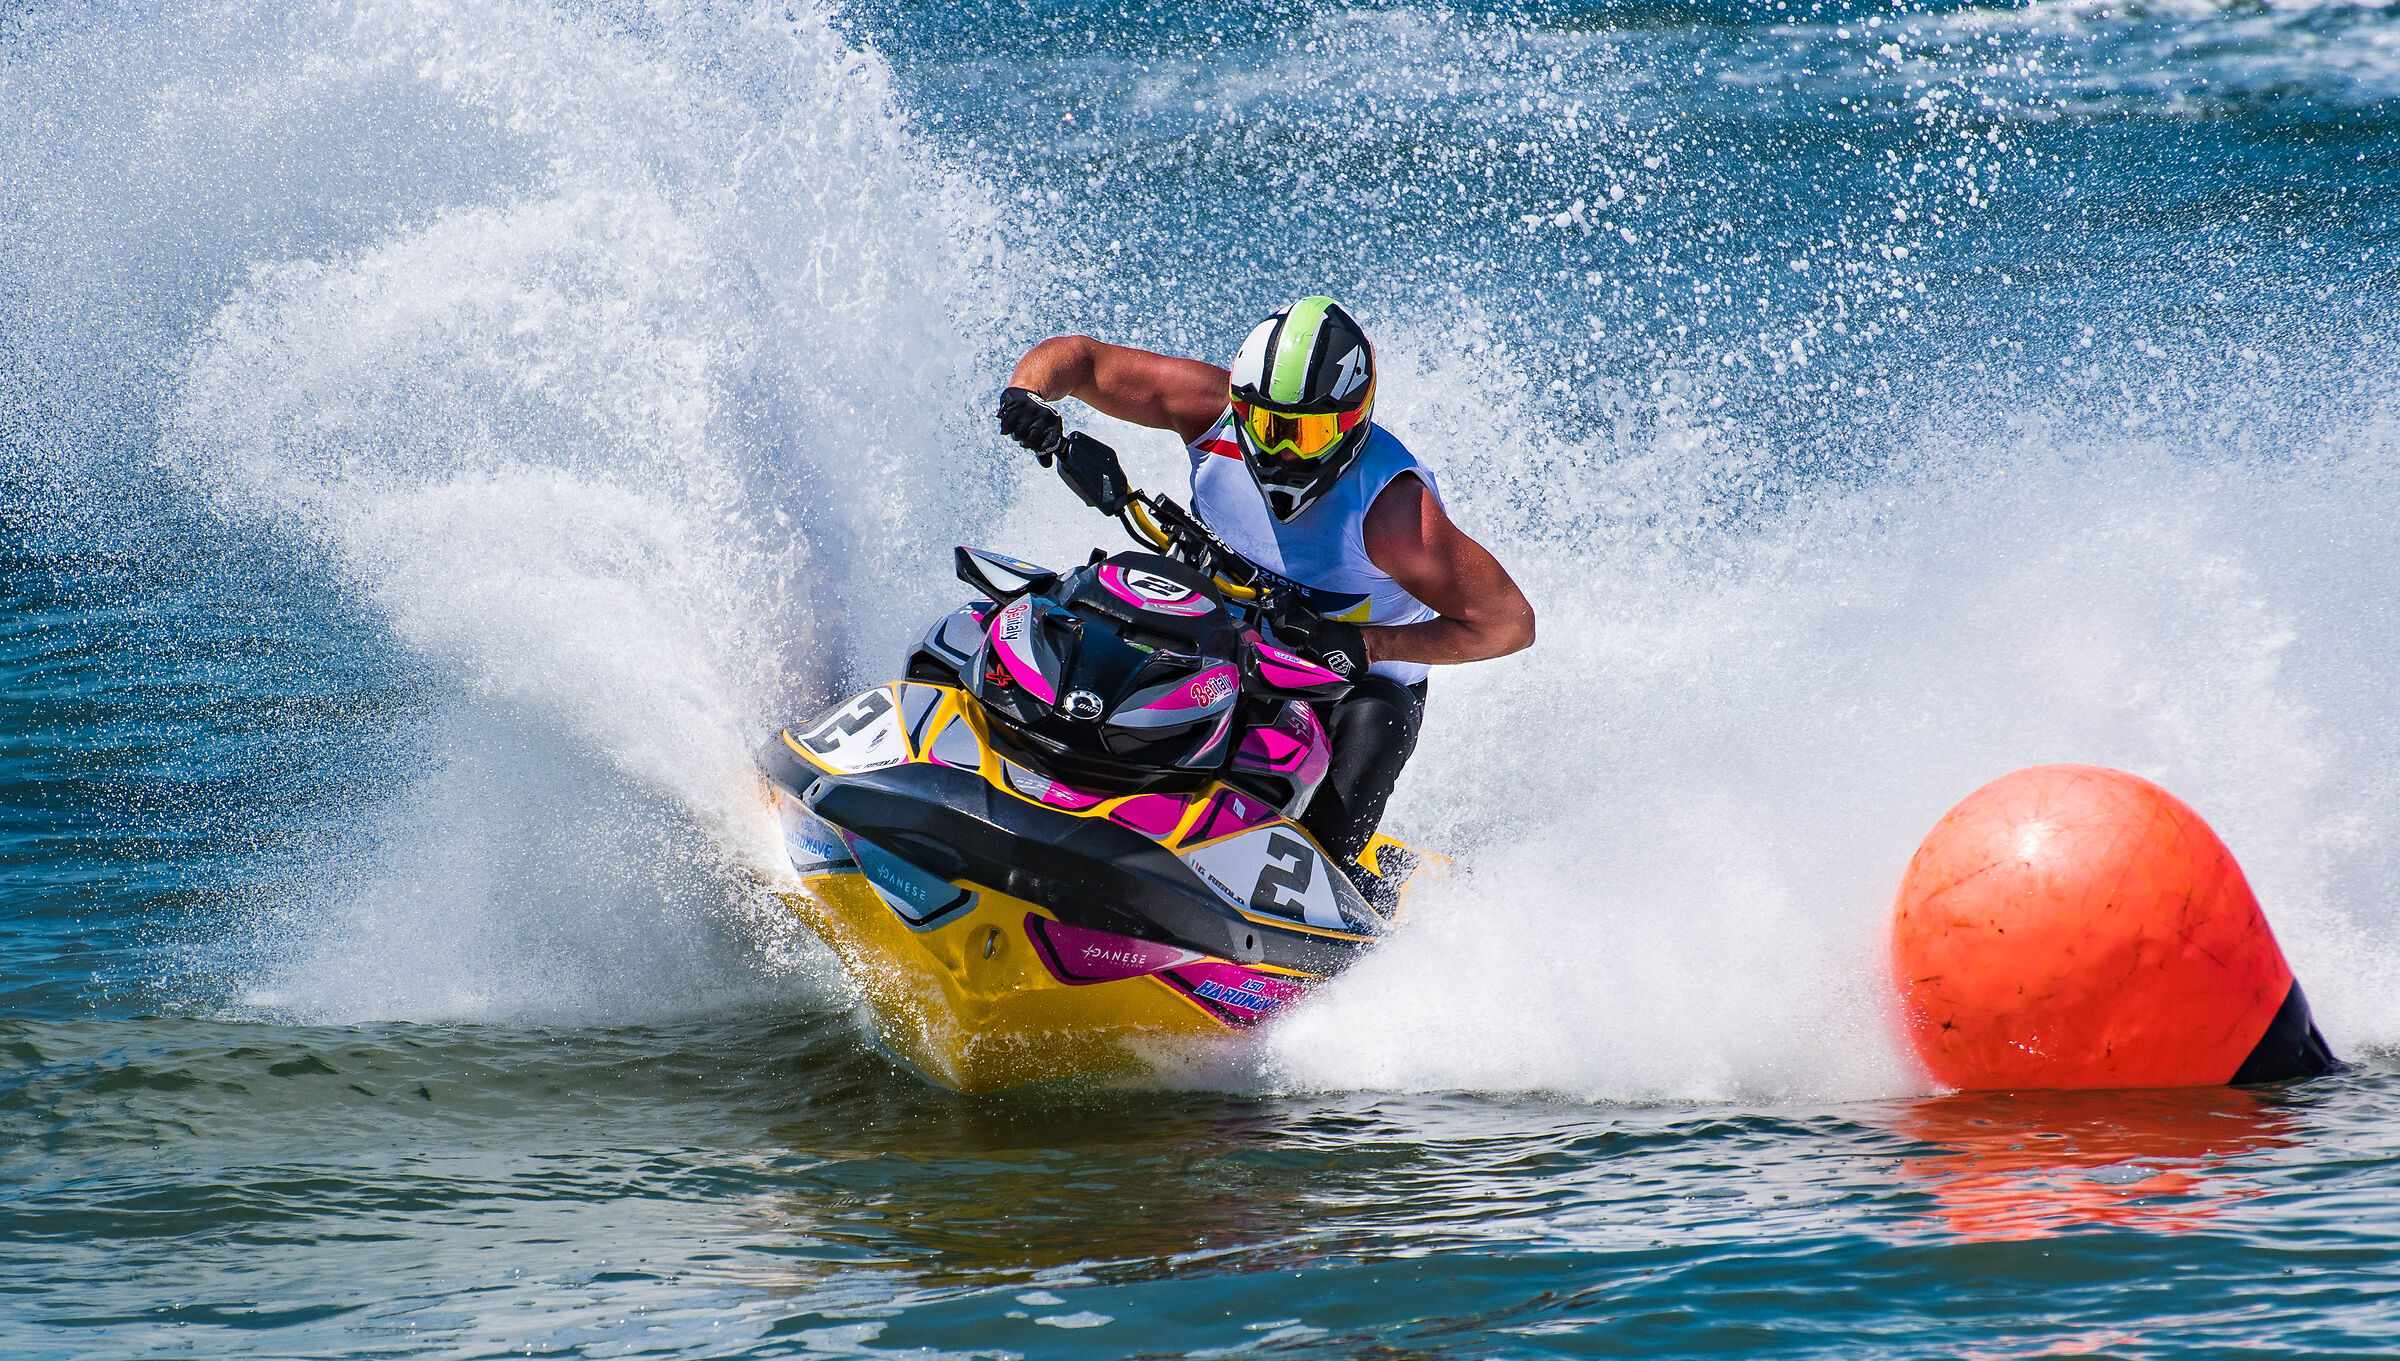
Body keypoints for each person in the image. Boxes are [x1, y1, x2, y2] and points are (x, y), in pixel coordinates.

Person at [995, 296, 1534, 900]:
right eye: (1266, 424)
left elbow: (1508, 624)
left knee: (1361, 757)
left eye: (1308, 434)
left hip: (1354, 686)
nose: (1280, 450)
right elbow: (1080, 360)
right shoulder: (1209, 409)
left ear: (1353, 419)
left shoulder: (1394, 514)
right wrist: (1028, 398)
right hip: (1218, 638)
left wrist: (1366, 644)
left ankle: (1341, 890)